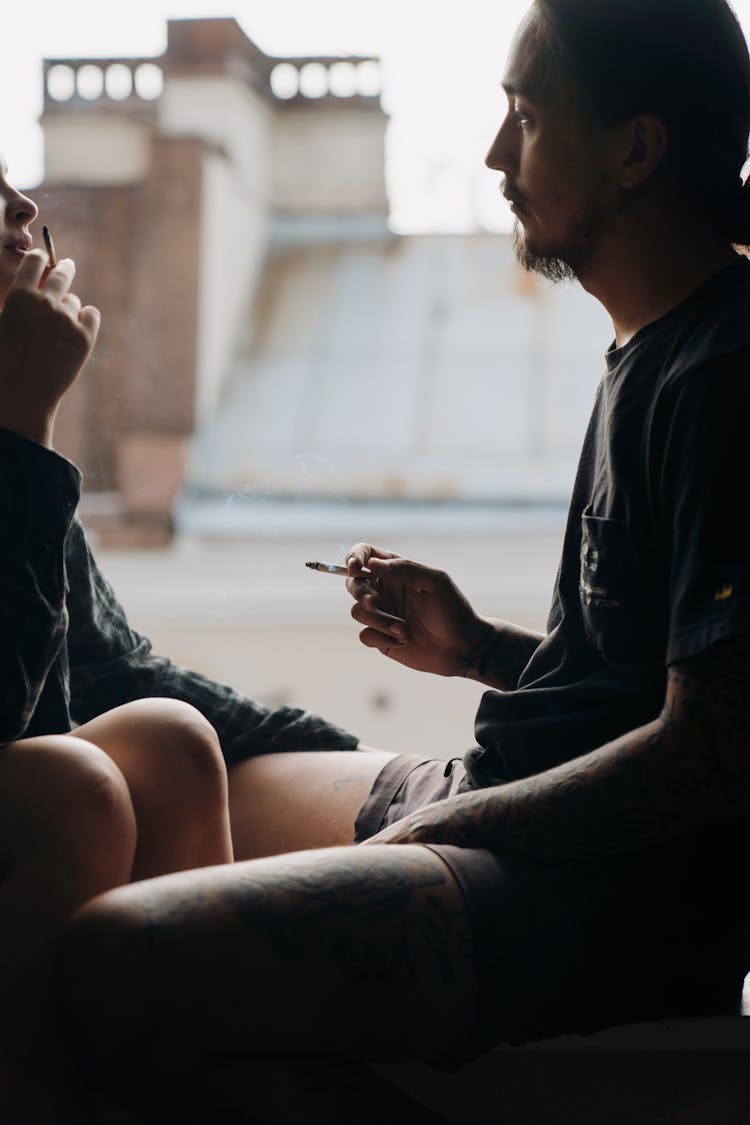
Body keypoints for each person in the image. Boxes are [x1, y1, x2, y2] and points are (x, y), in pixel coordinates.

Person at [56, 0, 750, 1121]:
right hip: (517, 808)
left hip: (614, 896)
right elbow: (633, 681)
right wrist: (476, 647)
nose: (493, 155)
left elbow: (713, 754)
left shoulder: (726, 372)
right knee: (201, 767)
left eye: (524, 116)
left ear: (636, 149)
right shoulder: (651, 344)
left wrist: (447, 824)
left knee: (113, 964)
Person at [0, 161, 360, 1121]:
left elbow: (104, 665)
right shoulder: (11, 433)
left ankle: (204, 1082)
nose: (24, 209)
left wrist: (343, 754)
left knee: (166, 737)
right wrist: (24, 431)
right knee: (75, 790)